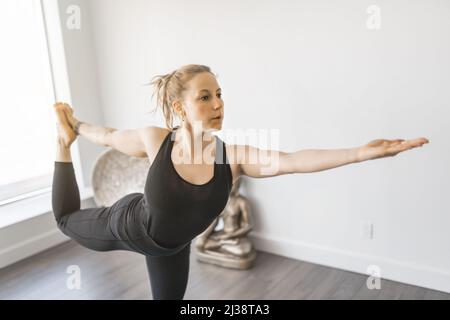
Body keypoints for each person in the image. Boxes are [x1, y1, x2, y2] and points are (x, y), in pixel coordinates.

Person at [51, 64, 429, 300]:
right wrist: (77, 127)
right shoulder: (157, 141)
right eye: (205, 96)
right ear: (181, 107)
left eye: (219, 94)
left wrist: (359, 153)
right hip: (129, 225)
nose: (218, 104)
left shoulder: (229, 159)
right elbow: (111, 136)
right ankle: (61, 143)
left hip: (171, 248)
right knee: (65, 219)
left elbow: (293, 161)